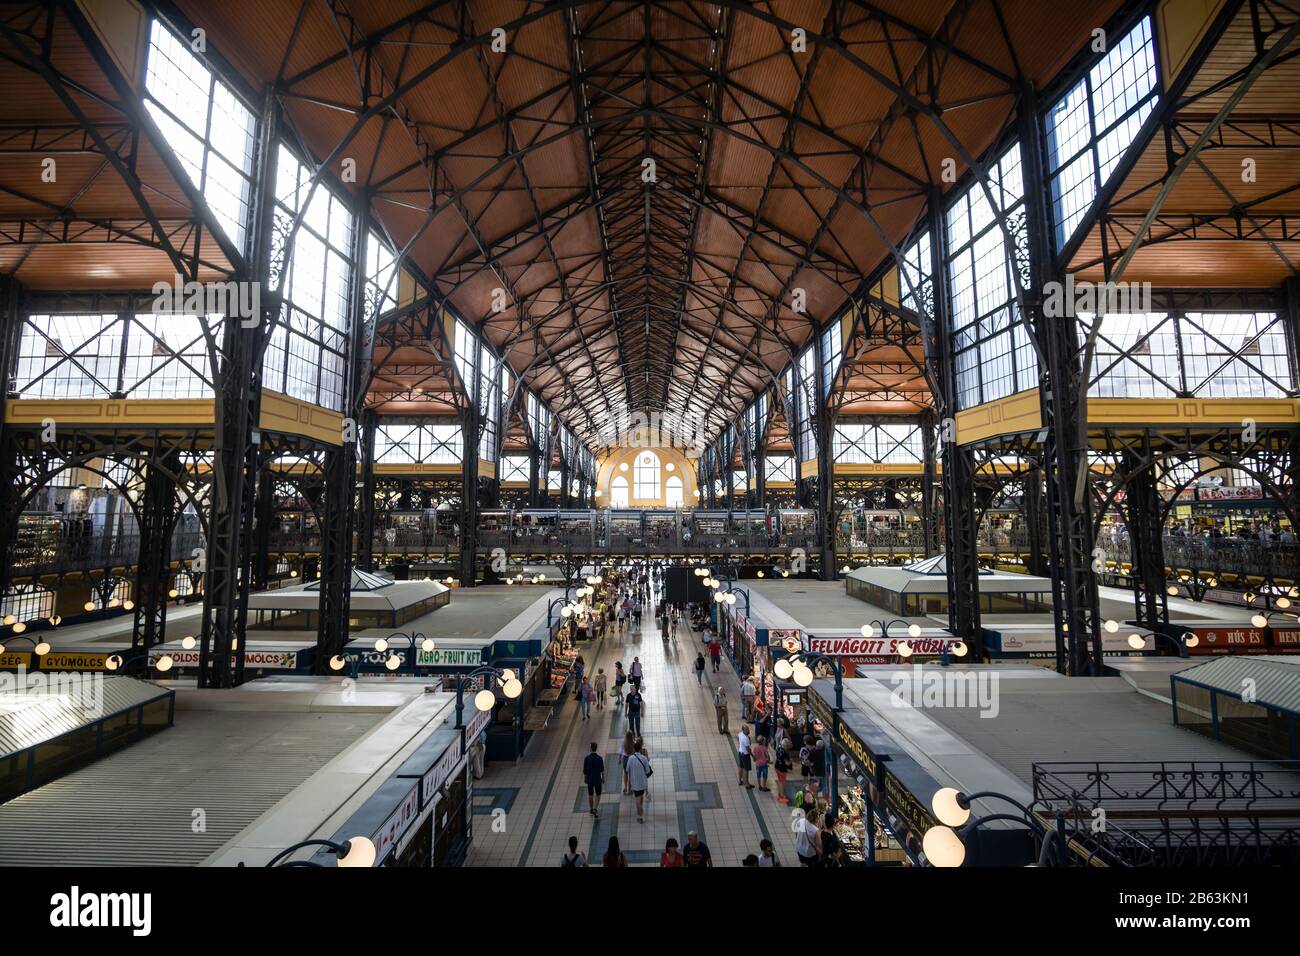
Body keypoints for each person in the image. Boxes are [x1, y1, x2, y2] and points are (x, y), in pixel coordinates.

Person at [625, 742, 652, 824]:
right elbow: (647, 771)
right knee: (641, 796)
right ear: (640, 749)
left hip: (635, 782)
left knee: (637, 798)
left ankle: (640, 815)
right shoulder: (644, 758)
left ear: (634, 749)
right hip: (643, 782)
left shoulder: (630, 758)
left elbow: (627, 769)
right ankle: (640, 812)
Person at [774, 738, 792, 804]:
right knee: (782, 782)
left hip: (777, 766)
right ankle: (781, 796)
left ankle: (780, 793)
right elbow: (787, 763)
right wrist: (790, 762)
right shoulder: (784, 753)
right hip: (782, 769)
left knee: (779, 780)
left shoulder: (779, 748)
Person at [737, 723, 754, 788]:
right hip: (745, 755)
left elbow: (738, 738)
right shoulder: (745, 739)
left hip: (740, 753)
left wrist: (741, 745)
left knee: (741, 767)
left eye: (748, 729)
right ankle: (746, 784)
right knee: (746, 769)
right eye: (747, 730)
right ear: (743, 730)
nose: (749, 731)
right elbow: (748, 749)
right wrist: (753, 756)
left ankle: (740, 780)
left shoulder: (740, 734)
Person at [619, 730, 636, 794]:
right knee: (631, 774)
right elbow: (635, 752)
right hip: (631, 759)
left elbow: (620, 752)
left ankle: (625, 787)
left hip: (625, 759)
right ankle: (630, 789)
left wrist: (619, 759)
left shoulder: (623, 743)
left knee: (625, 773)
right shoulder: (633, 743)